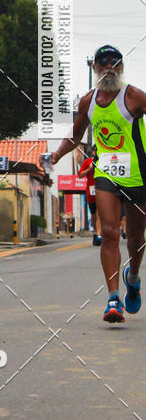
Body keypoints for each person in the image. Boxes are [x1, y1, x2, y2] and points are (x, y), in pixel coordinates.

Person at [49, 45, 145, 322]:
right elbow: (76, 135)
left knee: (137, 239)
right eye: (103, 64)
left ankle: (134, 277)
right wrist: (56, 155)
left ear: (121, 67)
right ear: (95, 69)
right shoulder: (88, 102)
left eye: (114, 63)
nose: (109, 68)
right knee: (111, 232)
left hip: (139, 175)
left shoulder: (134, 96)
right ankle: (113, 299)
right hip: (107, 175)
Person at [78, 145, 101, 245]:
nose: (97, 152)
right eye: (96, 151)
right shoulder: (88, 162)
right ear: (92, 152)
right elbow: (80, 175)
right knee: (93, 214)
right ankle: (95, 233)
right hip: (91, 192)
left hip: (103, 190)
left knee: (99, 213)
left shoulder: (104, 161)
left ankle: (99, 234)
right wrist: (89, 169)